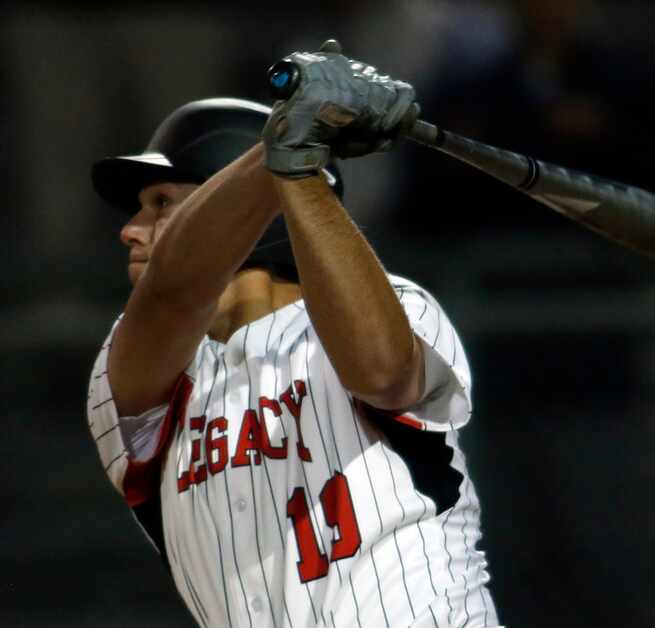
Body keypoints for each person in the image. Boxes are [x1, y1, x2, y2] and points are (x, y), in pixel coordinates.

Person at [86, 40, 501, 627]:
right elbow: (174, 291)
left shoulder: (401, 303)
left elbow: (382, 371)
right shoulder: (132, 363)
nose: (130, 229)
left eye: (161, 202)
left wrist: (294, 162)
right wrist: (282, 147)